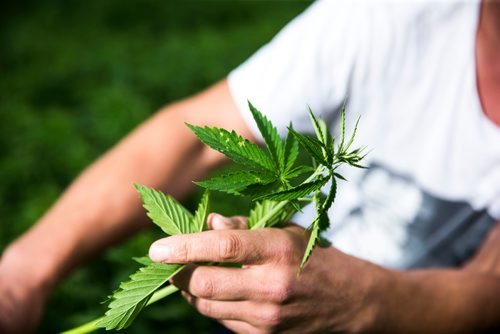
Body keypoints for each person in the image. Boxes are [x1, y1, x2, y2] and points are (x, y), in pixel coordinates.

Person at [1, 0, 499, 332]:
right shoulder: (394, 13)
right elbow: (197, 135)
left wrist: (370, 301)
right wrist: (22, 275)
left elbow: (488, 287)